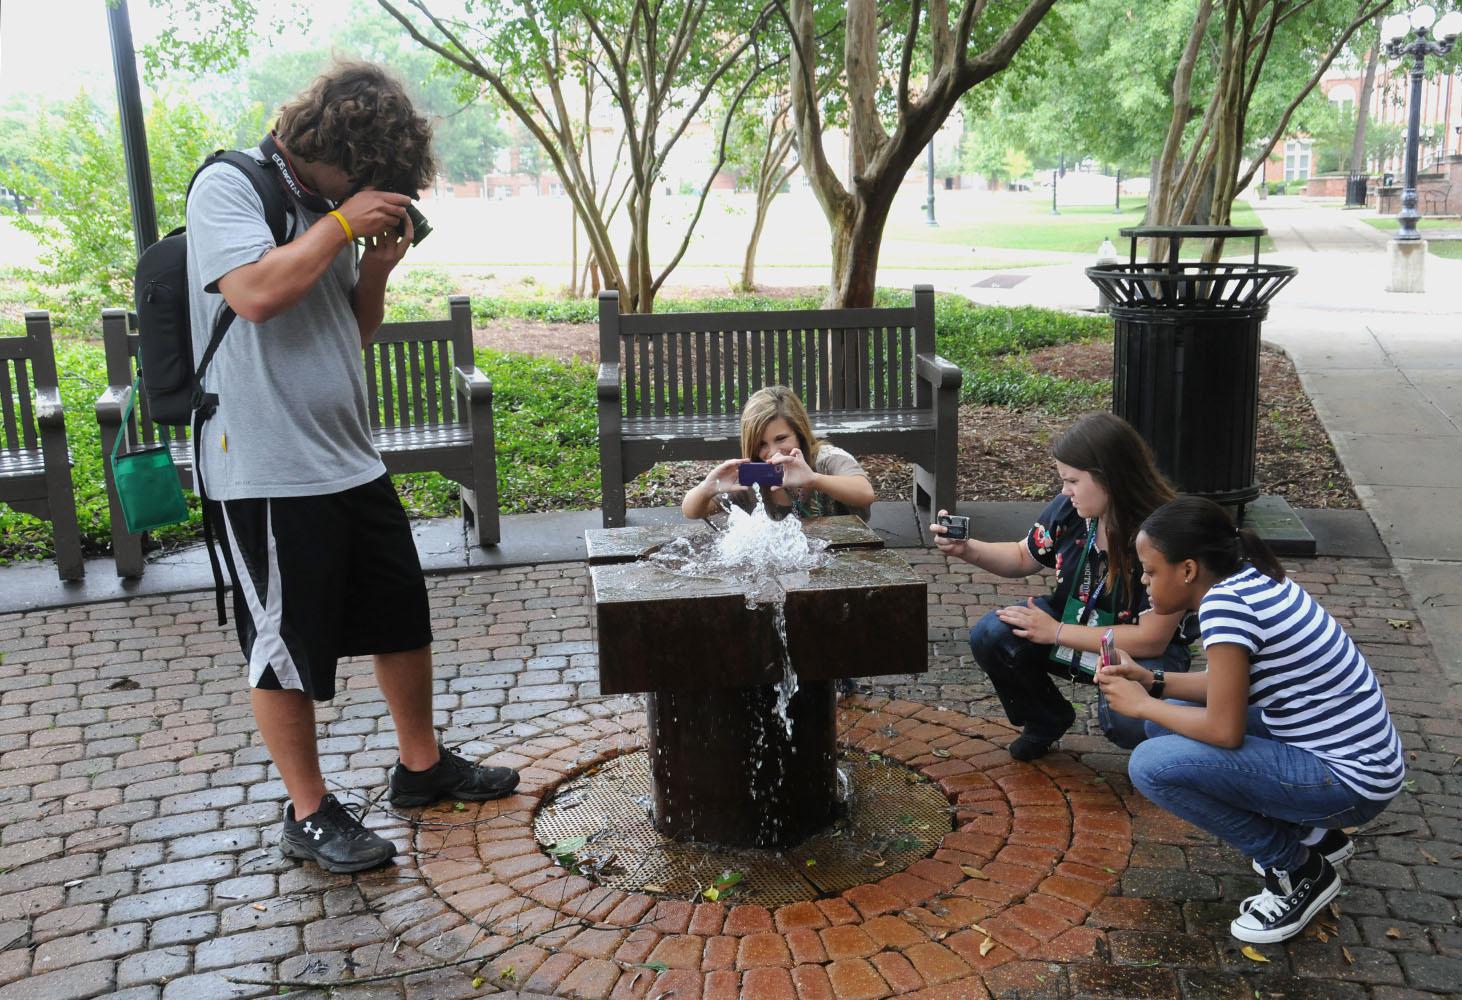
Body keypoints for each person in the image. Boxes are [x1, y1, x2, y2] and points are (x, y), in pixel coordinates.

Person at [186, 62, 518, 875]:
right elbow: (256, 295)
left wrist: (373, 267)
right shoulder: (229, 187)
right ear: (329, 148)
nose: (370, 191)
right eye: (364, 178)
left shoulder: (324, 211)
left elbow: (351, 331)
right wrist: (339, 226)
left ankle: (421, 767)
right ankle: (309, 813)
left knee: (400, 616)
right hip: (263, 467)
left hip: (347, 455)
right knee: (284, 645)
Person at [1099, 496, 1403, 944]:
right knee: (1167, 724)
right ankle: (1319, 835)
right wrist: (1152, 680)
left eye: (1149, 570)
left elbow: (1224, 729)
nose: (1143, 582)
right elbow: (1225, 688)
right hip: (1354, 758)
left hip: (1351, 781)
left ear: (1186, 570)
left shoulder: (1226, 608)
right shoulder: (1251, 580)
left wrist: (1141, 703)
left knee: (1151, 765)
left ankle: (1298, 870)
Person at [931, 412, 1192, 760]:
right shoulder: (1072, 509)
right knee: (992, 635)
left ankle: (1169, 760)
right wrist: (967, 549)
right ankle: (1046, 719)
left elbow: (1152, 638)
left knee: (1129, 721)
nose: (1064, 491)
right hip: (1074, 623)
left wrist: (1056, 632)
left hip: (1138, 651)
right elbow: (1024, 556)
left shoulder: (1164, 531)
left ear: (1109, 477)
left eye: (1072, 480)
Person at [681, 386, 875, 521]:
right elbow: (692, 511)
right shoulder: (751, 478)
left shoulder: (827, 458)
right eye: (761, 444)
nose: (773, 452)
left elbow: (865, 493)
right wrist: (707, 489)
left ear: (800, 433)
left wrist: (813, 479)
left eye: (781, 438)